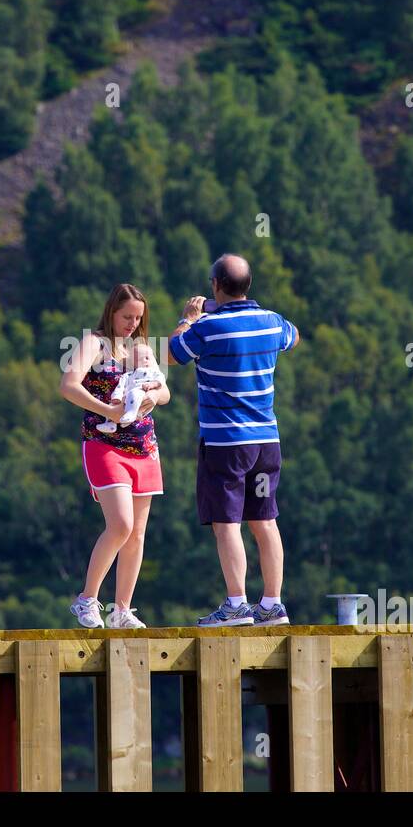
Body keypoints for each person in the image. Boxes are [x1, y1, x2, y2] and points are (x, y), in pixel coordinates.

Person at [165, 254, 300, 627]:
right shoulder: (272, 322)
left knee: (227, 523)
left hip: (225, 443)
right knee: (265, 520)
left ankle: (237, 605)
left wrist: (188, 319)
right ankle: (272, 605)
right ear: (248, 285)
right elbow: (294, 335)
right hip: (266, 441)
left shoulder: (206, 329)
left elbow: (173, 355)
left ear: (215, 285)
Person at [59, 283, 170, 629]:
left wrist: (154, 398)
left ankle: (122, 609)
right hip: (104, 444)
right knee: (120, 524)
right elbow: (68, 385)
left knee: (137, 533)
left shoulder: (141, 348)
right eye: (127, 317)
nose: (133, 324)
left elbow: (165, 390)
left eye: (138, 318)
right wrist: (107, 409)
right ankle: (87, 599)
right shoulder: (95, 343)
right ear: (111, 312)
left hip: (143, 447)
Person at [94, 342, 166, 433]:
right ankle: (110, 424)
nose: (145, 360)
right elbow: (121, 386)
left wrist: (153, 386)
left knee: (134, 394)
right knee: (112, 406)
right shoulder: (128, 375)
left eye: (148, 358)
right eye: (140, 359)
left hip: (142, 394)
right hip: (126, 398)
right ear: (133, 363)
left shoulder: (154, 372)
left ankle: (131, 414)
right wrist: (117, 396)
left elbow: (160, 381)